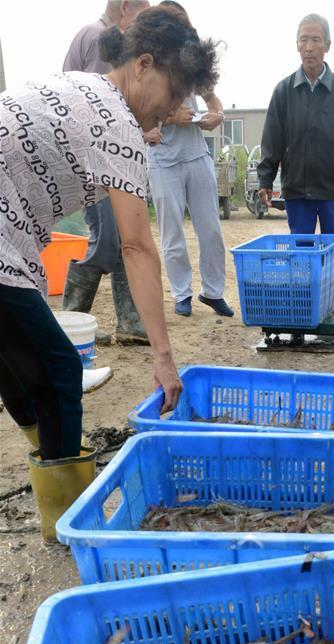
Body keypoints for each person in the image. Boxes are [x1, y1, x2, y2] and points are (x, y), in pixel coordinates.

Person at [0, 6, 217, 539]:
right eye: (171, 97)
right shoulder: (117, 120)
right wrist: (164, 358)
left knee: (19, 363)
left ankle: (56, 468)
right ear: (142, 65)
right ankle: (71, 523)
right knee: (57, 369)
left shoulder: (86, 87)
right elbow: (138, 247)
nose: (169, 114)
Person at [257, 13, 334, 299]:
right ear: (296, 45)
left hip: (333, 189)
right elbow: (272, 139)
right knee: (301, 251)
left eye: (315, 40)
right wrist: (265, 179)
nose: (309, 47)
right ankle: (304, 305)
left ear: (327, 45)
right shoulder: (283, 91)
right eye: (304, 40)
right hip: (297, 190)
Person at [62, 0, 151, 346]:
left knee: (115, 238)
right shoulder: (103, 39)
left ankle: (128, 322)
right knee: (108, 240)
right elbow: (106, 110)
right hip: (97, 161)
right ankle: (71, 318)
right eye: (144, 9)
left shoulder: (87, 35)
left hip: (91, 157)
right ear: (126, 7)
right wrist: (140, 132)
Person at [144, 2, 233, 318]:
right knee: (172, 233)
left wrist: (217, 115)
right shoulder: (146, 62)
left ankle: (213, 292)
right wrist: (169, 117)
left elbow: (212, 99)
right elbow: (136, 115)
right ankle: (181, 294)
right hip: (163, 159)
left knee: (211, 229)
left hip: (196, 155)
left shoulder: (192, 59)